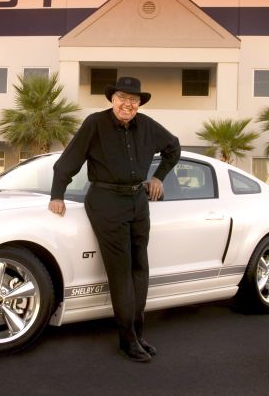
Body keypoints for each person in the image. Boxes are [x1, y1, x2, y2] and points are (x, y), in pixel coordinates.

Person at [48, 76, 180, 363]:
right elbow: (68, 161)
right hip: (106, 201)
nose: (127, 104)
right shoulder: (95, 123)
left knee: (140, 267)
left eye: (133, 100)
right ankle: (127, 339)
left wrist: (158, 176)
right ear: (112, 99)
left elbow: (174, 147)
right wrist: (57, 194)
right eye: (122, 98)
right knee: (120, 271)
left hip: (137, 201)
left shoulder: (146, 126)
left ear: (138, 104)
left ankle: (139, 333)